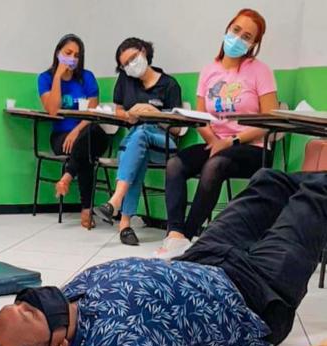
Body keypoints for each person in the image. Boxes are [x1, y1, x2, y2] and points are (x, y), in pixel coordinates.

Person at [0, 168, 327, 346]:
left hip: (203, 262)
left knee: (268, 182)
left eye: (19, 303)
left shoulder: (67, 304)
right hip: (253, 299)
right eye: (29, 312)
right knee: (317, 194)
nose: (32, 298)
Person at [156, 8, 279, 259]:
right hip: (217, 143)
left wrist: (230, 141)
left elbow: (270, 121)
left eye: (247, 36)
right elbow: (202, 118)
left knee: (215, 165)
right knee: (175, 164)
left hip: (251, 147)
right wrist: (214, 140)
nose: (238, 38)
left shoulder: (260, 71)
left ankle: (189, 237)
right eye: (236, 30)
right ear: (227, 29)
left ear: (254, 44)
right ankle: (175, 234)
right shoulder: (209, 70)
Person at [94, 38, 182, 246]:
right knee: (137, 151)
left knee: (140, 137)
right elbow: (118, 111)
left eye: (133, 58)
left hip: (164, 143)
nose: (130, 66)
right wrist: (129, 116)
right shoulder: (126, 80)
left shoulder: (169, 84)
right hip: (136, 142)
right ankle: (125, 225)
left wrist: (157, 114)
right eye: (125, 64)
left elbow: (178, 128)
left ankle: (115, 202)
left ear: (144, 52)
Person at [38, 34, 109, 229]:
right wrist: (58, 78)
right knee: (86, 154)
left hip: (88, 132)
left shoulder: (87, 77)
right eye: (68, 53)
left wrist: (77, 131)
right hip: (61, 137)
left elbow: (93, 113)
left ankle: (67, 176)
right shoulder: (45, 78)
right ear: (58, 53)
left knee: (88, 139)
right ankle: (87, 210)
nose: (72, 58)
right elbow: (52, 109)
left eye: (76, 55)